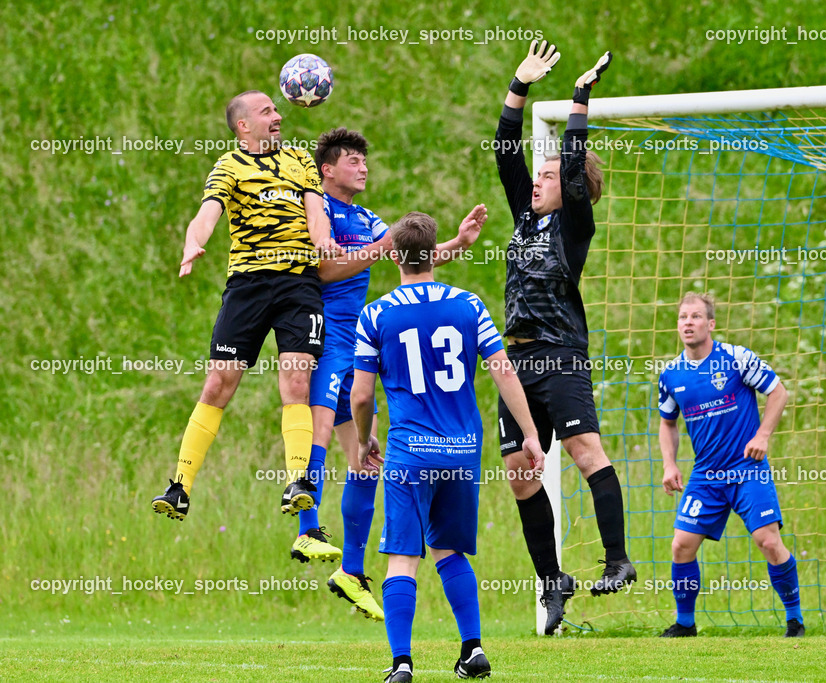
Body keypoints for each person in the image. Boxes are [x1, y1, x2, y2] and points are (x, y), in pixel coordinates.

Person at [289, 127, 481, 623]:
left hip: (360, 340)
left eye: (364, 160)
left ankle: (351, 570)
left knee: (363, 461)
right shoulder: (318, 212)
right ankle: (307, 526)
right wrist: (382, 244)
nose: (363, 167)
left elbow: (410, 259)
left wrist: (457, 243)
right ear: (327, 169)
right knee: (324, 420)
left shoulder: (369, 218)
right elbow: (325, 270)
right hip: (329, 336)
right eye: (352, 160)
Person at [351, 211, 545, 682]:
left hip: (410, 451)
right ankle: (472, 648)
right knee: (449, 549)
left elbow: (361, 395)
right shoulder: (468, 305)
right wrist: (530, 433)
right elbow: (503, 371)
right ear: (434, 250)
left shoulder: (377, 313)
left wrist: (363, 439)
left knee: (403, 555)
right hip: (462, 449)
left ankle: (401, 662)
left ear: (394, 255)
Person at [493, 39, 634, 635]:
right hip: (514, 363)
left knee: (584, 454)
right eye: (540, 172)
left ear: (573, 187)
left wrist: (578, 100)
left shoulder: (574, 224)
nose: (537, 180)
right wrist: (519, 86)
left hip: (561, 359)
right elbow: (505, 153)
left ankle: (617, 558)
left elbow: (573, 165)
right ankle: (553, 583)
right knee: (522, 470)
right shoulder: (524, 217)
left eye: (547, 175)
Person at [152, 90, 338, 521]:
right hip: (249, 286)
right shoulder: (229, 166)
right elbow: (208, 213)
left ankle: (297, 481)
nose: (278, 116)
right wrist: (192, 242)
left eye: (276, 109)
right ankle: (180, 486)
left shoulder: (300, 161)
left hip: (298, 285)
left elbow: (315, 212)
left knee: (296, 380)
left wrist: (322, 236)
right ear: (243, 126)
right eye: (267, 111)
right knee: (219, 383)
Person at [657, 292, 801, 638]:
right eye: (682, 318)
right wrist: (669, 465)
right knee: (681, 545)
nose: (687, 323)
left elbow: (778, 392)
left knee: (768, 541)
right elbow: (668, 423)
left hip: (747, 469)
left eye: (695, 317)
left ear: (711, 324)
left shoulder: (736, 358)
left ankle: (794, 620)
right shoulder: (671, 374)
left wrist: (763, 435)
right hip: (706, 476)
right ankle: (685, 624)